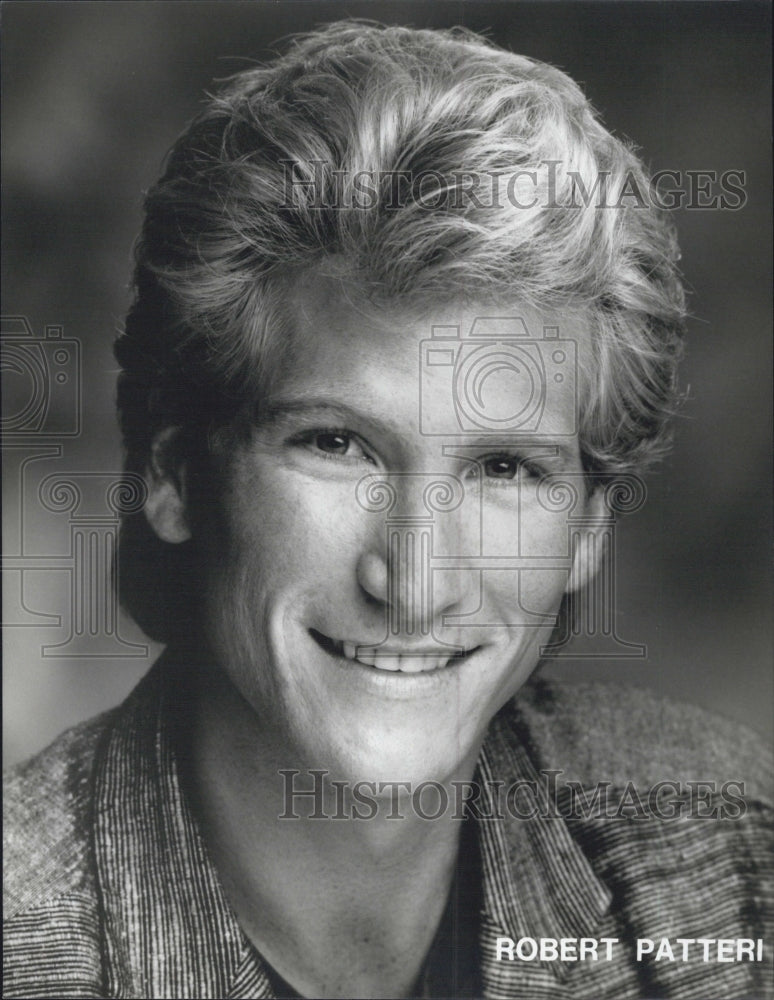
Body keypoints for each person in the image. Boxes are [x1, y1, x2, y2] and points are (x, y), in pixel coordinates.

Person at [3, 21, 771, 1000]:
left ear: (589, 527)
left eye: (504, 467)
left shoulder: (732, 899)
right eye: (335, 443)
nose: (413, 582)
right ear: (174, 472)